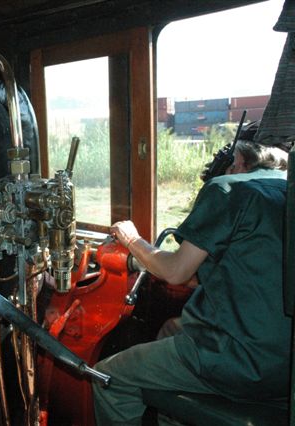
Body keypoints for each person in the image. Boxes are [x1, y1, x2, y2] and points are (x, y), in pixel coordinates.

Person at [92, 137, 292, 426]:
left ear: (238, 163)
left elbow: (176, 272)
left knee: (108, 378)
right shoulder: (286, 192)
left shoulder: (230, 188)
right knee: (171, 328)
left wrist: (132, 239)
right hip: (285, 366)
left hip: (241, 361)